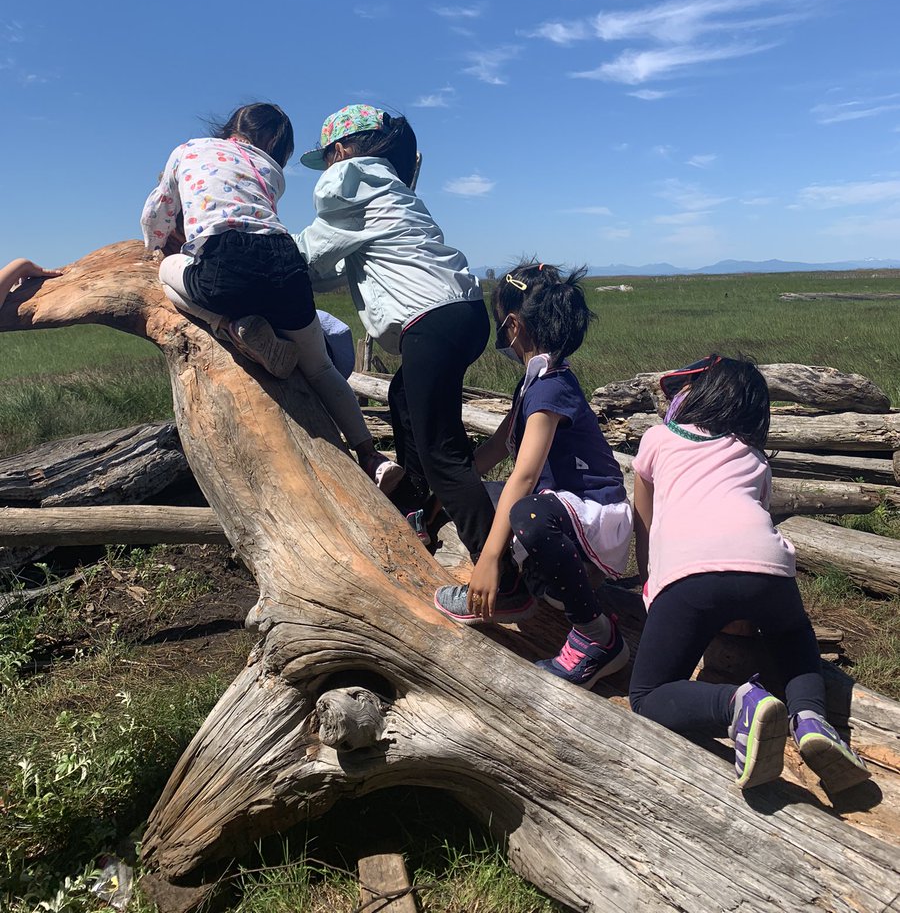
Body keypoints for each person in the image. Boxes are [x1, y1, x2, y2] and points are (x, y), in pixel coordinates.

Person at [628, 354, 870, 793]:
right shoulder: (755, 457)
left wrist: (651, 580)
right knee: (794, 636)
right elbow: (752, 524)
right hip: (768, 569)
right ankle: (812, 718)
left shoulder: (659, 438)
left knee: (647, 695)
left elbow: (642, 518)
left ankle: (738, 704)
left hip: (689, 572)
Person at [140, 101, 399, 490]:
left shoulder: (188, 149)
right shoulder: (270, 171)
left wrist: (156, 244)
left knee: (164, 274)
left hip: (223, 263)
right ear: (276, 145)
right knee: (321, 367)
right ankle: (371, 456)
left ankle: (230, 326)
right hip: (284, 263)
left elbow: (156, 213)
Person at [294, 103, 495, 566]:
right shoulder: (390, 194)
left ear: (341, 149)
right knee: (405, 400)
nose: (325, 167)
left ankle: (497, 574)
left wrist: (264, 256)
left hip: (429, 322)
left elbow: (312, 254)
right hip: (463, 313)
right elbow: (339, 265)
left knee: (442, 452)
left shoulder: (349, 181)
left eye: (326, 156)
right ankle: (419, 509)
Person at [434, 263, 634, 686]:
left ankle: (597, 634)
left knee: (524, 511)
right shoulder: (534, 382)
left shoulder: (549, 389)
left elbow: (523, 478)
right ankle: (514, 590)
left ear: (513, 325)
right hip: (562, 506)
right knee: (483, 500)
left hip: (594, 514)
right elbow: (496, 448)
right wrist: (450, 489)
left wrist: (488, 559)